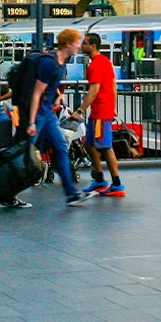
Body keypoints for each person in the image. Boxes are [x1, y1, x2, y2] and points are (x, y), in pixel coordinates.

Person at [23, 28, 95, 206]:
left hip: (47, 113)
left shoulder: (61, 61)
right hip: (39, 113)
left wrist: (57, 96)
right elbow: (36, 93)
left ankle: (71, 193)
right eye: (77, 42)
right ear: (69, 44)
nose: (80, 46)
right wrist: (32, 122)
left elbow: (48, 86)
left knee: (61, 148)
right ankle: (5, 190)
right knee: (24, 152)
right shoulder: (50, 63)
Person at [70, 32, 125, 197]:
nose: (81, 46)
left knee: (106, 147)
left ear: (92, 46)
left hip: (100, 112)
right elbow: (113, 87)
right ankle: (100, 180)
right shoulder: (105, 62)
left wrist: (80, 110)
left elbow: (93, 90)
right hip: (100, 111)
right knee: (89, 144)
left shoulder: (96, 65)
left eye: (85, 43)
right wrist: (113, 108)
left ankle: (117, 184)